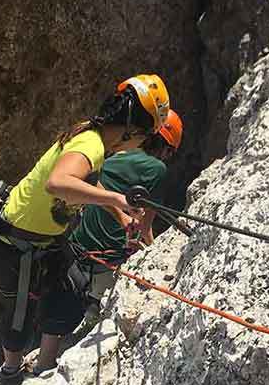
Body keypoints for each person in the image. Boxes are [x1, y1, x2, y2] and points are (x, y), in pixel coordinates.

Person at [0, 74, 170, 385]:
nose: (142, 144)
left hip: (41, 235)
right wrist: (115, 197)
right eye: (145, 137)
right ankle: (10, 371)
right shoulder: (90, 143)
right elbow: (59, 183)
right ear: (133, 131)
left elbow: (85, 179)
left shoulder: (90, 135)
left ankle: (44, 361)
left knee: (72, 286)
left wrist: (119, 215)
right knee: (21, 311)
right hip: (17, 240)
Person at [66, 109, 184, 329]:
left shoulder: (116, 153)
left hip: (76, 247)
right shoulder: (158, 170)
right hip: (105, 264)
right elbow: (144, 229)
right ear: (166, 148)